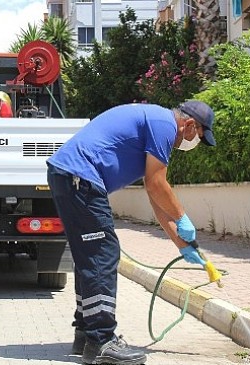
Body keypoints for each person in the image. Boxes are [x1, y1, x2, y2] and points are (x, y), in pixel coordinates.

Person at [46, 100, 217, 365]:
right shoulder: (164, 126)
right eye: (200, 137)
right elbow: (157, 184)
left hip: (69, 176)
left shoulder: (156, 124)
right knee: (103, 254)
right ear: (190, 125)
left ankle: (87, 332)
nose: (195, 144)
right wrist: (183, 217)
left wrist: (181, 245)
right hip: (80, 177)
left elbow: (155, 197)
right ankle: (101, 341)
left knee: (91, 255)